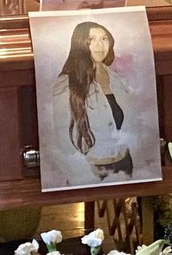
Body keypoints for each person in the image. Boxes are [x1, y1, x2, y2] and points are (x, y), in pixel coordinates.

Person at [49, 21, 139, 186]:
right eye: (91, 39)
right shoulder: (66, 84)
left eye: (104, 38)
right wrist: (84, 177)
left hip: (125, 166)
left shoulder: (118, 79)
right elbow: (63, 140)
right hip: (90, 172)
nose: (100, 45)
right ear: (80, 43)